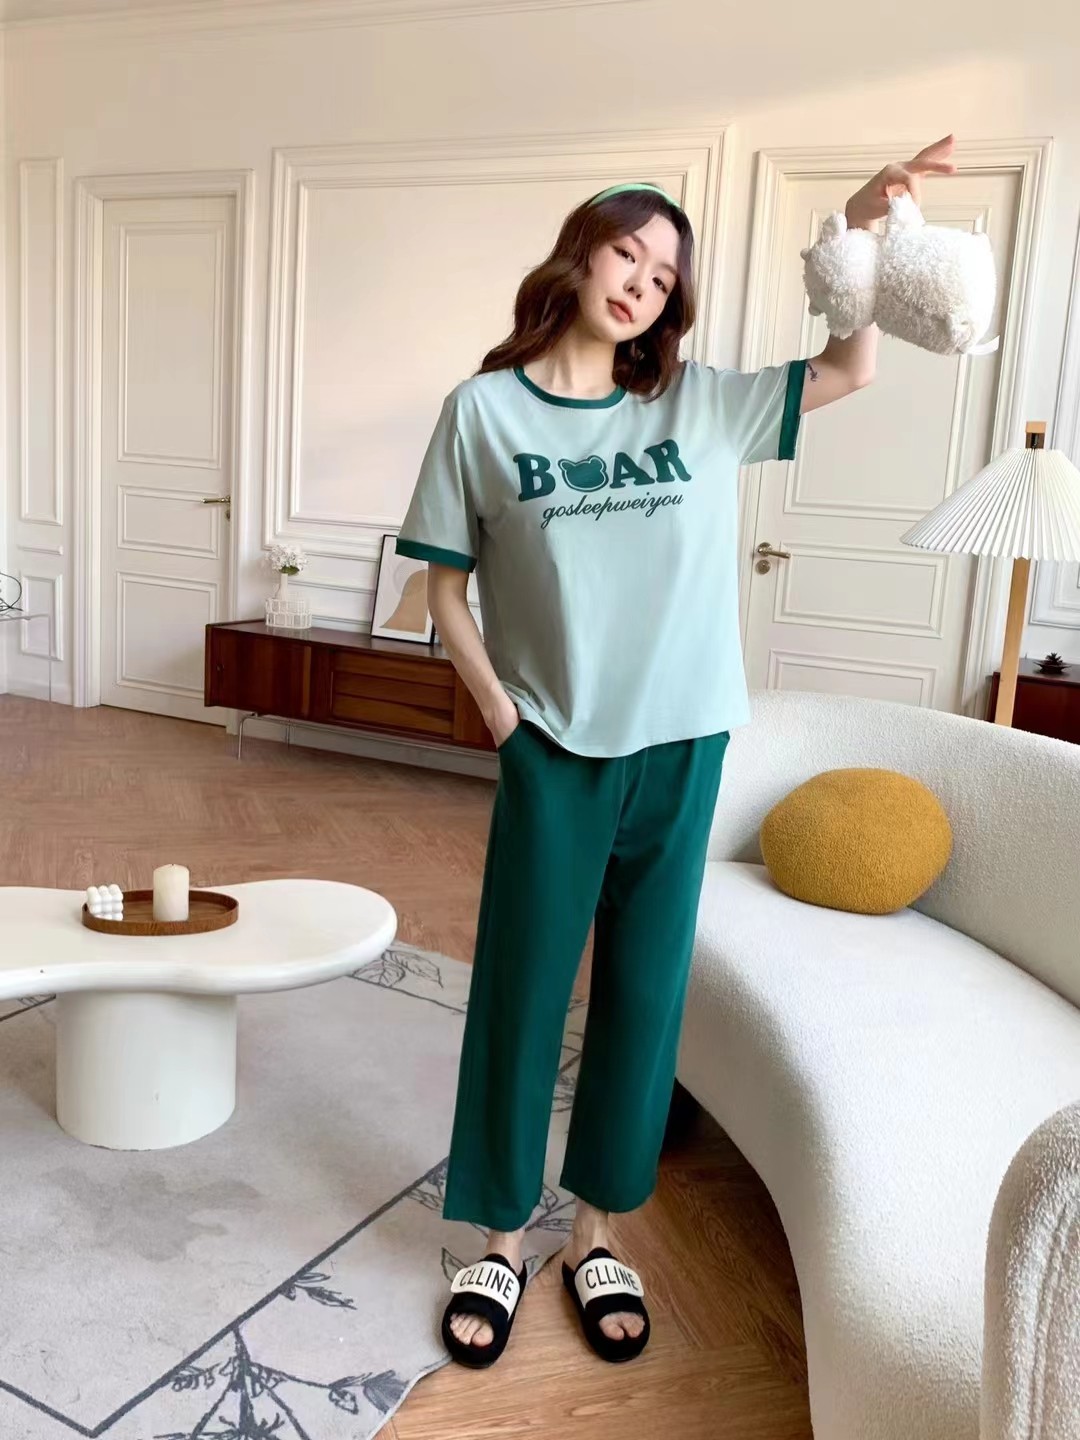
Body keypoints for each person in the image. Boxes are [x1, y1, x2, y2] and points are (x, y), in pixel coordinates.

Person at [396, 135, 958, 1368]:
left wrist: (861, 230)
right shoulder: (482, 414)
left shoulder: (697, 404)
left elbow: (852, 366)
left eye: (664, 275)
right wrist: (504, 720)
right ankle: (500, 1235)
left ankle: (597, 1229)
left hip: (686, 742)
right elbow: (440, 593)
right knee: (522, 993)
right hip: (554, 746)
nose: (643, 284)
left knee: (645, 997)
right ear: (580, 254)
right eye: (628, 255)